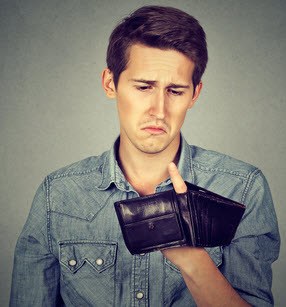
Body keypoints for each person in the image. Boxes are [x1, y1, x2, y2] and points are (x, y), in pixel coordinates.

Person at [10, 5, 280, 307]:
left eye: (175, 91)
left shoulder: (243, 188)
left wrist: (194, 263)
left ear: (195, 94)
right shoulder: (57, 195)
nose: (159, 110)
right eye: (143, 87)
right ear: (110, 83)